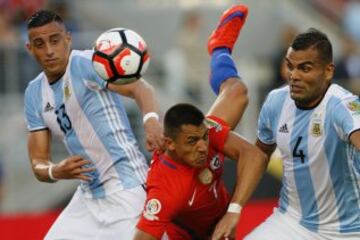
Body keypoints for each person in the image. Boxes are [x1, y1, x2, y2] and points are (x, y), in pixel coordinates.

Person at [24, 10, 163, 240]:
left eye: (55, 40)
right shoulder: (33, 93)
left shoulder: (88, 63)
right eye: (39, 44)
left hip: (125, 188)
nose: (49, 50)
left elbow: (141, 88)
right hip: (87, 198)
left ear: (68, 38)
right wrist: (55, 170)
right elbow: (38, 162)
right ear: (30, 49)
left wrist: (151, 121)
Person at [133, 5, 268, 240]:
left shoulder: (203, 135)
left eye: (204, 137)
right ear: (170, 144)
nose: (203, 147)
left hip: (222, 215)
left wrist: (233, 212)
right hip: (199, 236)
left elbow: (255, 156)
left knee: (237, 91)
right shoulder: (167, 191)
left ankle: (219, 47)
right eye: (193, 141)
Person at [245, 28, 360, 240]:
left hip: (349, 231)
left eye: (305, 68)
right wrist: (234, 209)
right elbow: (259, 155)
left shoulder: (343, 105)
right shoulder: (275, 102)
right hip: (292, 223)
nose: (294, 76)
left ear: (328, 71)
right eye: (290, 67)